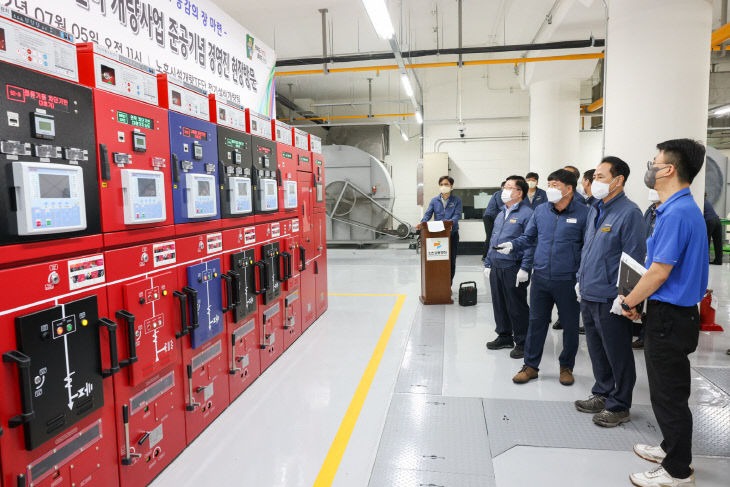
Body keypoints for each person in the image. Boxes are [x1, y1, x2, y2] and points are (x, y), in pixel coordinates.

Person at [619, 139, 708, 487]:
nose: (650, 167)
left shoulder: (676, 213)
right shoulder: (678, 208)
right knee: (666, 391)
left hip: (670, 317)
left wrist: (629, 302)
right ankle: (670, 448)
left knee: (669, 396)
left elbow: (658, 272)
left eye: (653, 162)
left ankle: (677, 470)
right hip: (673, 314)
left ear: (668, 169)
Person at [497, 169, 588, 386]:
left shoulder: (585, 213)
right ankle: (530, 366)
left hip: (567, 279)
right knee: (536, 323)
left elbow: (588, 248)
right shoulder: (541, 211)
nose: (550, 189)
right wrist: (513, 245)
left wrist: (581, 277)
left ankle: (566, 367)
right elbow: (529, 237)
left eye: (555, 185)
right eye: (549, 184)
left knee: (570, 326)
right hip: (541, 277)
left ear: (569, 189)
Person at [574, 156, 646, 428]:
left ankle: (619, 405)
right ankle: (602, 392)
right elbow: (588, 249)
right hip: (589, 293)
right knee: (596, 350)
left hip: (610, 298)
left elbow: (634, 258)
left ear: (618, 180)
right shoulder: (595, 209)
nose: (594, 181)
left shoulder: (629, 213)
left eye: (601, 177)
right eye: (594, 177)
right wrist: (580, 280)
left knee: (618, 353)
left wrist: (625, 296)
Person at [484, 176, 534, 358]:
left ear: (519, 192)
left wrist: (525, 268)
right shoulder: (501, 213)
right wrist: (488, 262)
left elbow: (531, 243)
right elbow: (493, 239)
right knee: (499, 303)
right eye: (504, 187)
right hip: (496, 265)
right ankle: (504, 336)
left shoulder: (527, 214)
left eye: (509, 187)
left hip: (514, 266)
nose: (504, 190)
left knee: (516, 306)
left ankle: (523, 342)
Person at [632, 189, 662, 350]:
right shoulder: (650, 211)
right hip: (645, 262)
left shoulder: (669, 213)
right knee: (644, 301)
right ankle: (644, 335)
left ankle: (646, 336)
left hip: (658, 266)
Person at [419, 176, 462, 284]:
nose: (443, 186)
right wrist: (422, 223)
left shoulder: (456, 200)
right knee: (438, 260)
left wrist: (449, 223)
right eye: (441, 184)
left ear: (451, 186)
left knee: (451, 260)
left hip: (452, 234)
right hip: (437, 236)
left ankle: (448, 285)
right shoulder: (434, 200)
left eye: (446, 184)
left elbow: (457, 215)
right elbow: (428, 214)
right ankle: (438, 284)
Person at [482, 181, 505, 258]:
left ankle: (493, 254)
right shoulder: (499, 193)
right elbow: (501, 206)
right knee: (490, 236)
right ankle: (485, 256)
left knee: (494, 236)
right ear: (502, 187)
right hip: (489, 217)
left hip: (495, 217)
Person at [703, 196, 723, 265]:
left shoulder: (701, 202)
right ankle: (718, 260)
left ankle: (706, 260)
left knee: (706, 241)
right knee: (718, 242)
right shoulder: (707, 202)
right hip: (717, 220)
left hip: (709, 221)